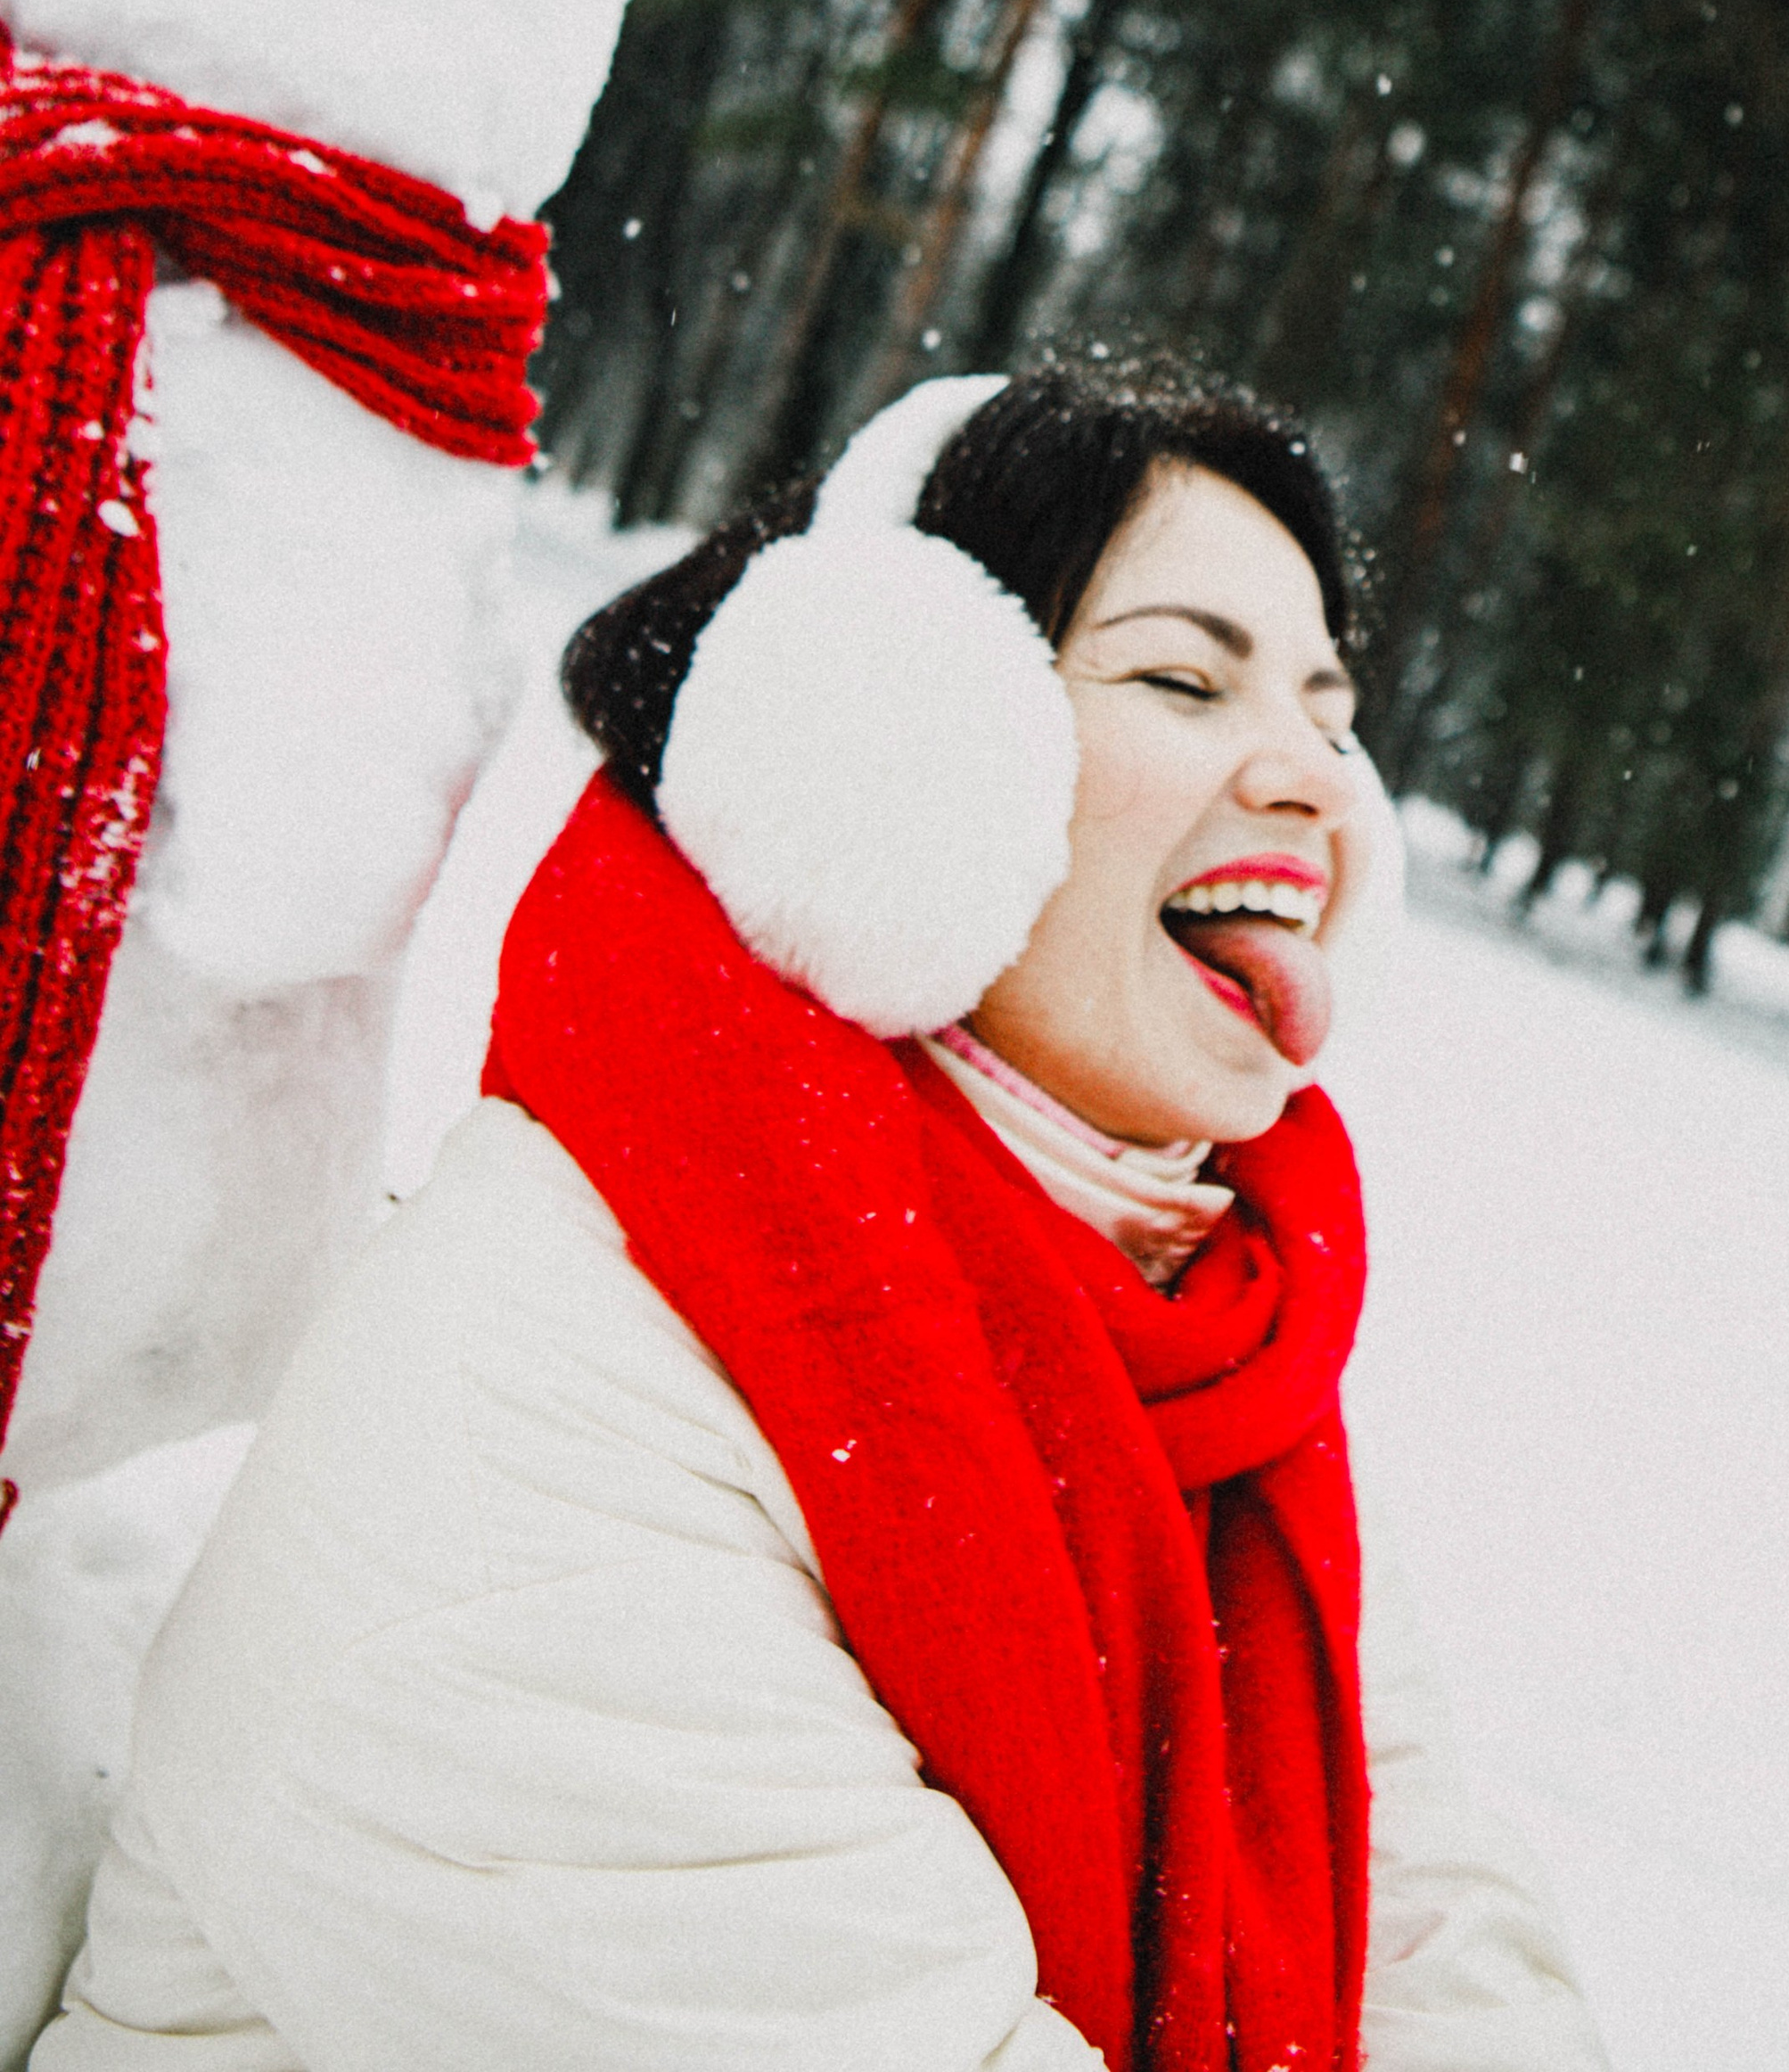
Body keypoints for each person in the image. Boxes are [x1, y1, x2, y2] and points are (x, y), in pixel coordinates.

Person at [36, 362, 1608, 2072]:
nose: (1319, 781)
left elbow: (1442, 1941)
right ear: (893, 748)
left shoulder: (1210, 1369)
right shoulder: (523, 1404)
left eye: (1330, 709)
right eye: (1184, 678)